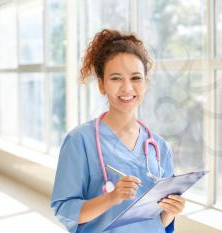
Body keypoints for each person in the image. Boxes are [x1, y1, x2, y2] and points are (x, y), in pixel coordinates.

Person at [50, 29, 185, 233]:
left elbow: (157, 223)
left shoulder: (160, 147)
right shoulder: (79, 141)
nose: (127, 88)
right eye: (116, 78)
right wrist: (111, 198)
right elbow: (64, 210)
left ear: (146, 83)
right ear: (102, 85)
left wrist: (171, 211)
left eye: (136, 78)